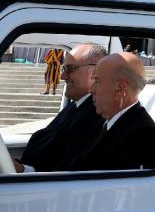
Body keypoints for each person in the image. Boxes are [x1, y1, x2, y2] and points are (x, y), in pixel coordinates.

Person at [15, 44, 107, 172]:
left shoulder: (96, 114)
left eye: (70, 69)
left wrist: (24, 170)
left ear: (94, 72)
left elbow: (66, 171)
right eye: (64, 68)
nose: (62, 76)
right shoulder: (76, 106)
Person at [67, 52, 155, 171]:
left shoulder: (140, 135)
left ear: (120, 88)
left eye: (97, 81)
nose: (91, 89)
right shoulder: (111, 121)